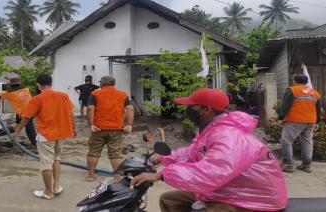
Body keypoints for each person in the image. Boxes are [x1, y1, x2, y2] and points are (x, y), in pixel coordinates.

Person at [131, 88, 287, 212]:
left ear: (206, 109)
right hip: (228, 189)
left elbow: (211, 173)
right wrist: (162, 159)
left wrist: (160, 175)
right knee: (170, 200)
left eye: (192, 106)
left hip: (253, 198)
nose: (188, 109)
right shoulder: (211, 129)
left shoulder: (228, 136)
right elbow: (193, 153)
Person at [14, 74, 75, 199]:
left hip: (46, 134)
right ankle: (56, 187)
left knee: (46, 163)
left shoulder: (37, 99)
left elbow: (27, 117)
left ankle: (48, 192)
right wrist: (73, 128)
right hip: (62, 133)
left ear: (38, 84)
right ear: (51, 83)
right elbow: (71, 113)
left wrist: (17, 131)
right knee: (57, 158)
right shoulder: (63, 96)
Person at [86, 75, 134, 181]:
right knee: (116, 154)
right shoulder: (123, 94)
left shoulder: (95, 93)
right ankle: (117, 177)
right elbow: (130, 109)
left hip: (98, 129)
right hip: (116, 130)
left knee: (94, 152)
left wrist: (91, 125)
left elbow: (90, 109)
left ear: (102, 83)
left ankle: (91, 175)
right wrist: (129, 124)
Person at [279, 74, 321, 173]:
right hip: (310, 121)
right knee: (307, 141)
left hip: (295, 120)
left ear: (295, 81)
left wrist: (281, 118)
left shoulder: (292, 90)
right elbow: (318, 110)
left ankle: (288, 164)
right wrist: (318, 121)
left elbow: (286, 105)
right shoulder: (315, 93)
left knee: (287, 140)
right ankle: (306, 165)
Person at [0, 76, 36, 147]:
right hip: (31, 110)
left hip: (25, 114)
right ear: (19, 83)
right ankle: (17, 134)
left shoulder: (9, 93)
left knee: (30, 130)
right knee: (19, 118)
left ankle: (36, 145)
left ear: (10, 85)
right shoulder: (26, 90)